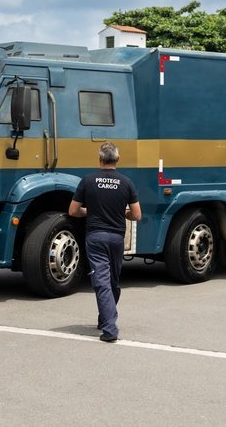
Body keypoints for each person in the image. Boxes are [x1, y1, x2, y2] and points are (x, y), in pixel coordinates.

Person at [69, 142, 141, 343]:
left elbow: (73, 211)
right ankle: (105, 318)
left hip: (96, 237)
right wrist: (120, 212)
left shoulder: (88, 181)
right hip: (117, 238)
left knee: (101, 282)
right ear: (117, 159)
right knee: (113, 282)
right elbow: (136, 214)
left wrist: (90, 211)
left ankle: (110, 329)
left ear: (100, 159)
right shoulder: (127, 183)